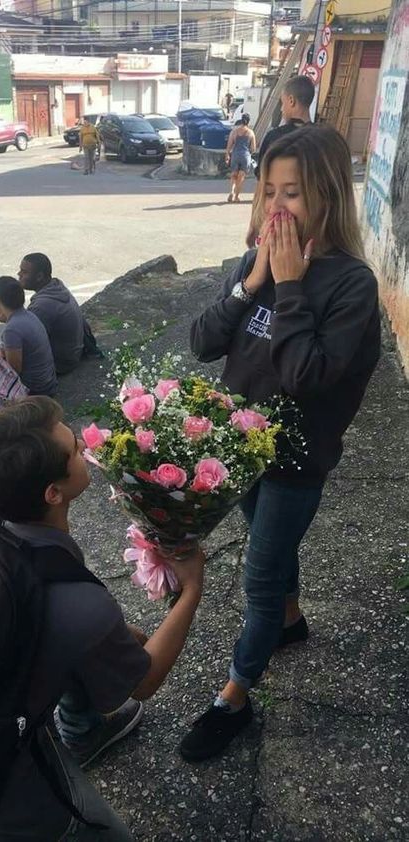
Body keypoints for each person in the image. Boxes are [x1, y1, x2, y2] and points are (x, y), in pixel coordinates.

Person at [182, 125, 380, 762]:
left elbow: (305, 376)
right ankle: (290, 624)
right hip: (242, 452)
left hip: (296, 461)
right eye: (268, 191)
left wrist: (291, 285)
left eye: (291, 194)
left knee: (259, 578)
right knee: (273, 549)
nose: (275, 208)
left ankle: (234, 696)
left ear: (325, 197)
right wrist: (252, 282)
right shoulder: (256, 262)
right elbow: (203, 343)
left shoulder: (352, 286)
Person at [0, 396, 205, 840]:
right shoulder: (82, 608)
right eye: (73, 450)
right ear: (53, 493)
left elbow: (62, 628)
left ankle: (84, 733)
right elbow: (141, 682)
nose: (84, 450)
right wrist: (192, 590)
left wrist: (114, 634)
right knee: (95, 830)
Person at [18, 252, 102, 375]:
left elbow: (25, 342)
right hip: (74, 353)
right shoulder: (56, 286)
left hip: (61, 364)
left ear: (39, 276)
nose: (19, 274)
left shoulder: (42, 306)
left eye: (24, 272)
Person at [0, 275, 57, 397]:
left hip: (36, 390)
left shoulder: (12, 329)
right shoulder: (28, 315)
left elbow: (13, 371)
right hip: (48, 382)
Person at [255, 75, 315, 180]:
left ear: (291, 101)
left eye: (283, 103)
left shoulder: (274, 138)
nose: (282, 109)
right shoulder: (326, 138)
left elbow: (263, 179)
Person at [225, 114, 256, 203]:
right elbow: (253, 148)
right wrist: (249, 152)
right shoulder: (251, 133)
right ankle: (236, 197)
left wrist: (227, 154)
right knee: (241, 177)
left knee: (234, 175)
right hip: (245, 156)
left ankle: (231, 191)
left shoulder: (234, 132)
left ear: (241, 120)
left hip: (235, 155)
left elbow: (229, 145)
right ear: (248, 121)